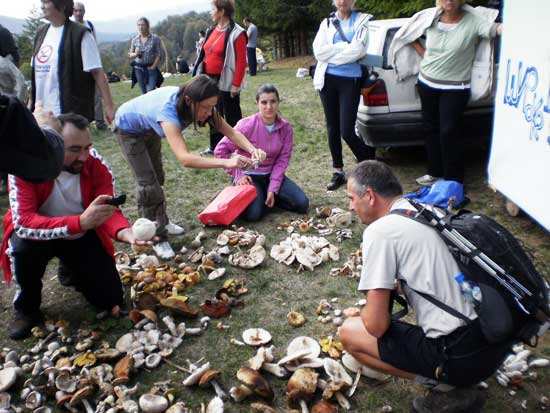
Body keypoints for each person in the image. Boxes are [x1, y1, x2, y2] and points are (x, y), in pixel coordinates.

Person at [339, 160, 511, 412]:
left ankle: (449, 387)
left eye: (352, 198)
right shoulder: (425, 208)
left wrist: (365, 312)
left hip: (459, 354)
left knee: (350, 333)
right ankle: (456, 374)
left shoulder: (379, 232)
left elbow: (376, 326)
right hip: (494, 339)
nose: (351, 207)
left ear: (371, 196)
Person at [0, 113, 151, 340]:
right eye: (73, 149)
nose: (83, 156)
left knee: (111, 299)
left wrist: (125, 232)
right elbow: (24, 222)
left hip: (80, 233)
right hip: (39, 237)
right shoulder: (25, 165)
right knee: (22, 250)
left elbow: (107, 208)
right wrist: (78, 223)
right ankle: (27, 308)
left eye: (87, 147)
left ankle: (71, 269)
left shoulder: (95, 163)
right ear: (53, 144)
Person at [114, 75, 266, 259]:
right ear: (189, 101)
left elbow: (232, 132)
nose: (210, 113)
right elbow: (185, 158)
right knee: (148, 184)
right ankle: (157, 238)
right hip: (128, 130)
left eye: (212, 107)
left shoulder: (201, 102)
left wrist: (252, 149)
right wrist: (227, 162)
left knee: (158, 176)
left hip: (149, 129)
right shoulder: (168, 112)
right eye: (206, 108)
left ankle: (162, 221)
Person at [407, 0, 502, 186]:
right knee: (430, 128)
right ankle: (434, 171)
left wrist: (519, 26)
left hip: (456, 87)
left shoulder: (473, 21)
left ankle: (453, 179)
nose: (449, 1)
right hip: (427, 82)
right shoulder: (430, 18)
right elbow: (408, 34)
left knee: (449, 131)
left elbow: (495, 29)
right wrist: (423, 53)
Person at [215, 84, 309, 221]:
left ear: (278, 102)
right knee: (253, 215)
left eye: (273, 101)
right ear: (257, 103)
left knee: (302, 204)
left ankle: (267, 195)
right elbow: (220, 151)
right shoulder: (245, 125)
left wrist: (273, 187)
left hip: (272, 174)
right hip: (249, 175)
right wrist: (238, 175)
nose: (269, 107)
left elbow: (282, 160)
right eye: (264, 102)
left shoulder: (286, 128)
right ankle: (253, 195)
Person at [313, 0, 376, 192]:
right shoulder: (326, 23)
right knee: (332, 127)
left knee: (346, 130)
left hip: (351, 81)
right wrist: (344, 52)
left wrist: (333, 53)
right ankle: (338, 171)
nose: (343, 2)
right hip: (328, 79)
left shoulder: (363, 21)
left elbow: (359, 51)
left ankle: (369, 164)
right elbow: (319, 51)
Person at [30, 0, 115, 125]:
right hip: (41, 114)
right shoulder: (40, 33)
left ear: (62, 5)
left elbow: (97, 72)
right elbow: (35, 74)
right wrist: (30, 104)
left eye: (46, 2)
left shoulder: (80, 34)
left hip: (68, 113)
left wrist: (109, 106)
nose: (42, 6)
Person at [193, 0, 247, 156]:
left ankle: (237, 148)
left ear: (222, 11)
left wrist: (236, 85)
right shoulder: (211, 30)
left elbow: (241, 62)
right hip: (209, 80)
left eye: (212, 9)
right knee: (212, 113)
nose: (210, 12)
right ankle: (216, 147)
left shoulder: (237, 32)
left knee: (232, 115)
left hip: (227, 80)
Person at [72, 1, 107, 130]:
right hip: (77, 67)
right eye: (75, 11)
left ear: (84, 11)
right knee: (80, 96)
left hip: (91, 65)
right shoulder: (69, 27)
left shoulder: (89, 25)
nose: (78, 13)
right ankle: (82, 123)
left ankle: (100, 122)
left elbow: (94, 45)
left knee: (97, 95)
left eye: (80, 10)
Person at [128, 17, 162, 94]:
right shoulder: (135, 39)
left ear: (147, 26)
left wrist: (153, 67)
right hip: (138, 69)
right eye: (139, 25)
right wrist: (136, 54)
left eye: (143, 25)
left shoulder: (155, 38)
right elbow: (130, 55)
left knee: (150, 91)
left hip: (151, 68)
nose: (141, 27)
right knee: (143, 92)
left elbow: (159, 54)